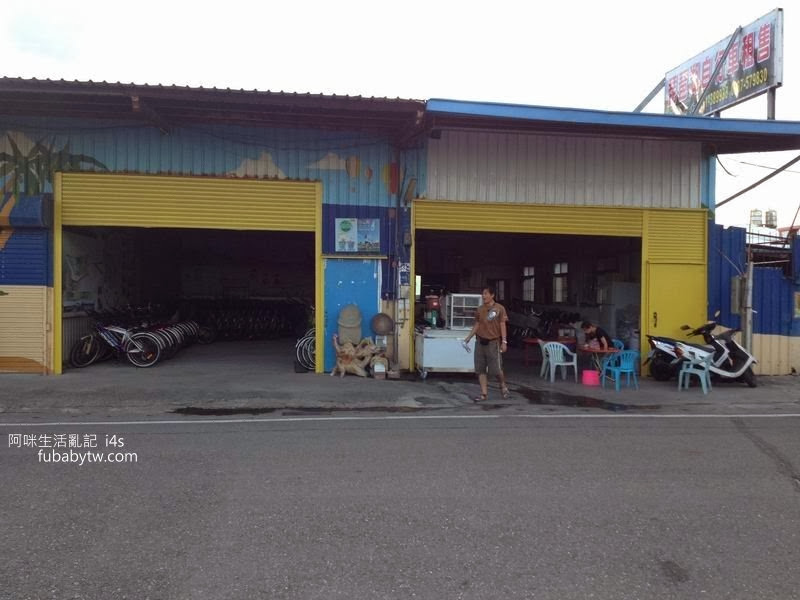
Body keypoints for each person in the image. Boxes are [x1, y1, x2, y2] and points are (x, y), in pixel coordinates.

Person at [464, 286, 509, 402]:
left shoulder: (500, 309)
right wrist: (468, 338)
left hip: (493, 342)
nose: (483, 296)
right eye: (483, 294)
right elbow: (477, 324)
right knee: (480, 369)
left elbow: (502, 324)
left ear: (492, 295)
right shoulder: (480, 309)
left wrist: (504, 341)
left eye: (486, 294)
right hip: (480, 342)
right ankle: (484, 394)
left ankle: (502, 384)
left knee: (496, 369)